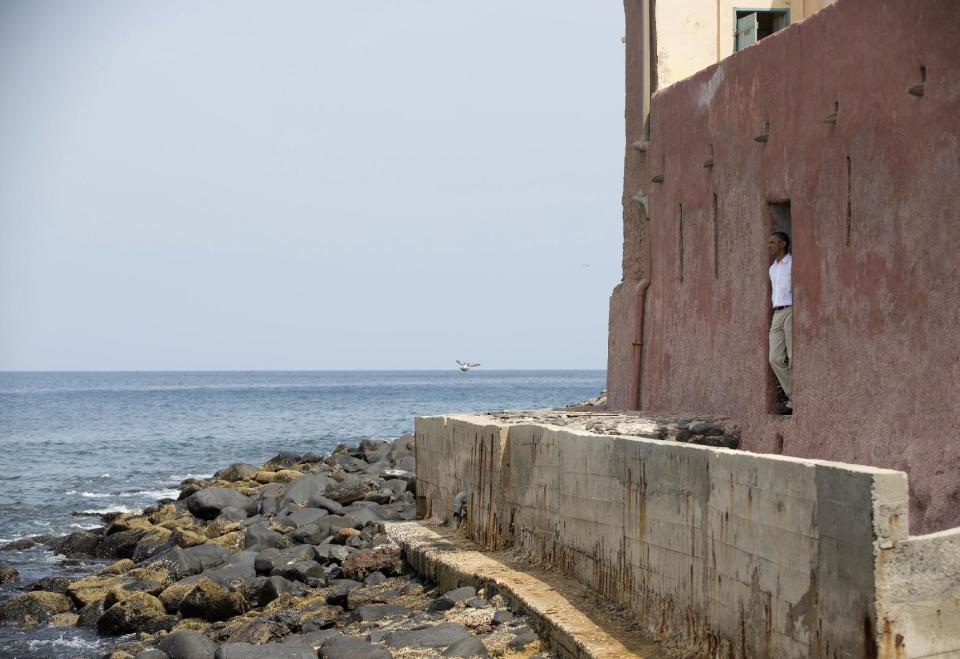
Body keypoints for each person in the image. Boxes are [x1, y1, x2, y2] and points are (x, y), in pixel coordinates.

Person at [767, 231, 792, 412]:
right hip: (777, 313)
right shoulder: (772, 269)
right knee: (774, 358)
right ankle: (793, 394)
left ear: (782, 244)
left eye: (773, 242)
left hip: (790, 310)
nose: (769, 246)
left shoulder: (792, 264)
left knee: (792, 356)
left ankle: (794, 398)